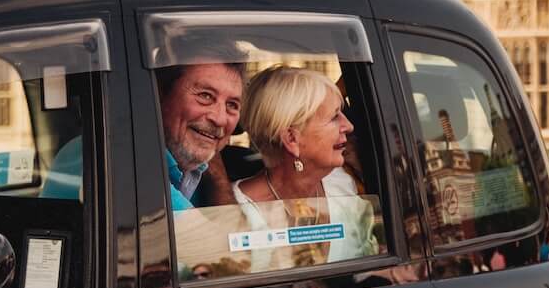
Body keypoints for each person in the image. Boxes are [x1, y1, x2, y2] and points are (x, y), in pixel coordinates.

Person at [227, 65, 378, 273]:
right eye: (334, 117)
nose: (348, 126)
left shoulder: (341, 184)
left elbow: (367, 267)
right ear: (291, 139)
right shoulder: (233, 210)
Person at [43, 61, 240, 209]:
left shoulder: (190, 164)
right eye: (205, 96)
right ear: (158, 96)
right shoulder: (118, 154)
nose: (220, 119)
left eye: (232, 105)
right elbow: (228, 256)